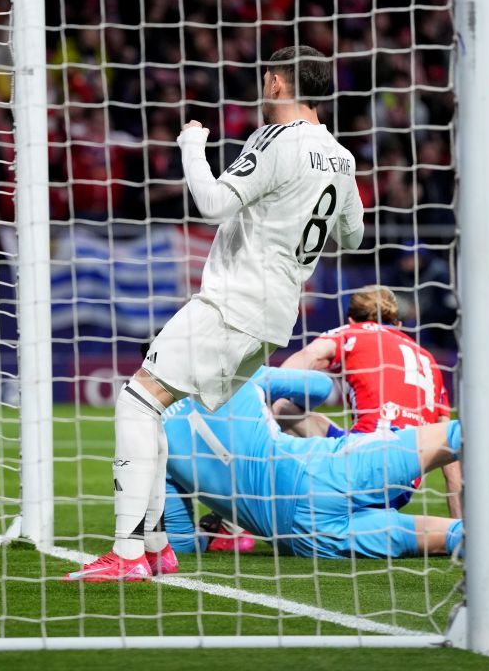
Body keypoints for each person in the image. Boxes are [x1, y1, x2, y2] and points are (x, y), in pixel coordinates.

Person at [70, 46, 365, 581]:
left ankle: (129, 554)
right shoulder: (342, 158)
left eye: (265, 78)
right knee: (153, 403)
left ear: (277, 82)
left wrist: (192, 147)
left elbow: (212, 204)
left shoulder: (275, 138)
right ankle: (156, 547)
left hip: (235, 300)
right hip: (276, 316)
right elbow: (353, 234)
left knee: (136, 401)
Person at [75, 367, 489, 569]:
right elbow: (320, 390)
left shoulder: (154, 438)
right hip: (313, 472)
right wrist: (277, 390)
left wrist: (225, 522)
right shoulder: (238, 372)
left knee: (425, 538)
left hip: (299, 536)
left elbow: (182, 542)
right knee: (449, 436)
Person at [274, 285, 489, 517]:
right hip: (405, 480)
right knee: (451, 442)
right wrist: (461, 523)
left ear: (352, 318)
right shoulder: (428, 359)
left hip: (362, 463)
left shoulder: (353, 332)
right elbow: (451, 465)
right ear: (400, 323)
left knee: (280, 408)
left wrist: (263, 393)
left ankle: (247, 494)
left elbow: (308, 356)